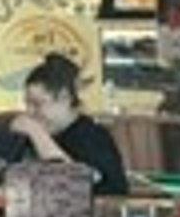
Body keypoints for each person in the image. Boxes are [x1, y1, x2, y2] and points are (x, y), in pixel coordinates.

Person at [9, 52, 128, 195]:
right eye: (27, 104)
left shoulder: (93, 138)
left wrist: (37, 133)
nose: (29, 112)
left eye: (37, 104)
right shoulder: (34, 137)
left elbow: (75, 185)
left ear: (64, 97)